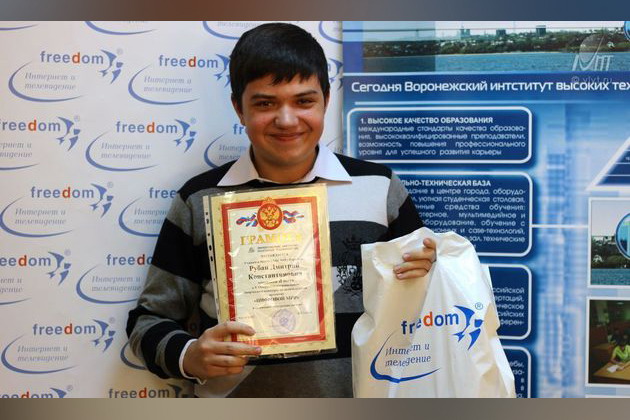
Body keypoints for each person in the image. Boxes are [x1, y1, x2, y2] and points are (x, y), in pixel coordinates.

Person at [126, 22, 436, 397]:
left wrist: (432, 275)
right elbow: (148, 321)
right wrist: (188, 355)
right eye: (265, 103)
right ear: (238, 108)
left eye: (304, 101)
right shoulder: (199, 199)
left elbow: (428, 311)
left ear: (326, 100)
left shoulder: (379, 187)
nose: (287, 120)